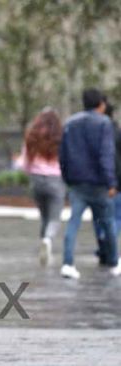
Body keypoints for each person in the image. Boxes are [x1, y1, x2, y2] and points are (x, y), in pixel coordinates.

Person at [59, 88, 121, 279]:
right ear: (100, 104)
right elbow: (106, 155)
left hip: (77, 183)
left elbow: (63, 155)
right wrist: (111, 182)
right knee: (108, 222)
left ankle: (67, 263)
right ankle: (113, 261)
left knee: (73, 223)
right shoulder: (104, 123)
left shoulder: (70, 123)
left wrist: (67, 178)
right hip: (98, 184)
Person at [15, 108, 65, 266]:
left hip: (36, 181)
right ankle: (48, 240)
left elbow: (24, 163)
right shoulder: (61, 137)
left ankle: (43, 244)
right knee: (54, 217)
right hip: (55, 180)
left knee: (44, 216)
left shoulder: (32, 137)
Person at [93, 100, 121, 265]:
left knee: (99, 216)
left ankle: (104, 247)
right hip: (117, 180)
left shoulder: (96, 132)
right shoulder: (117, 132)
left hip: (98, 180)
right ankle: (106, 244)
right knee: (116, 216)